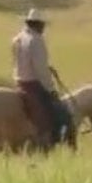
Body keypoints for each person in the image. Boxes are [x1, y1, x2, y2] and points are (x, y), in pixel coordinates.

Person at [10, 8, 72, 150]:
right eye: (42, 25)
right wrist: (51, 89)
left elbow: (18, 62)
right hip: (33, 84)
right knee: (59, 111)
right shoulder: (36, 40)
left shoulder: (17, 39)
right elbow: (40, 70)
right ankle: (49, 140)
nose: (43, 28)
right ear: (37, 24)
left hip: (19, 82)